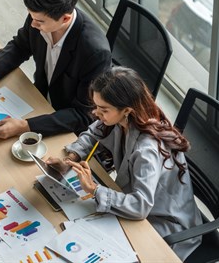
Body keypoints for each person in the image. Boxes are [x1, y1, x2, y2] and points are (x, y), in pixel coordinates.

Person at [46, 66, 202, 260]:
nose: (96, 113)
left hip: (162, 222)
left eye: (103, 110)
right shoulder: (121, 118)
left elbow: (140, 206)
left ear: (126, 110)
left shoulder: (147, 151)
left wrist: (94, 189)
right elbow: (92, 135)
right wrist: (70, 160)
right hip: (133, 203)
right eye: (96, 106)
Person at [0, 0, 111, 138]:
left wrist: (26, 126)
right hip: (37, 99)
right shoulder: (39, 17)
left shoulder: (95, 53)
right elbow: (20, 46)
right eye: (31, 16)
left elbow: (84, 115)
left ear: (65, 18)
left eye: (39, 21)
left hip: (64, 122)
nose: (33, 24)